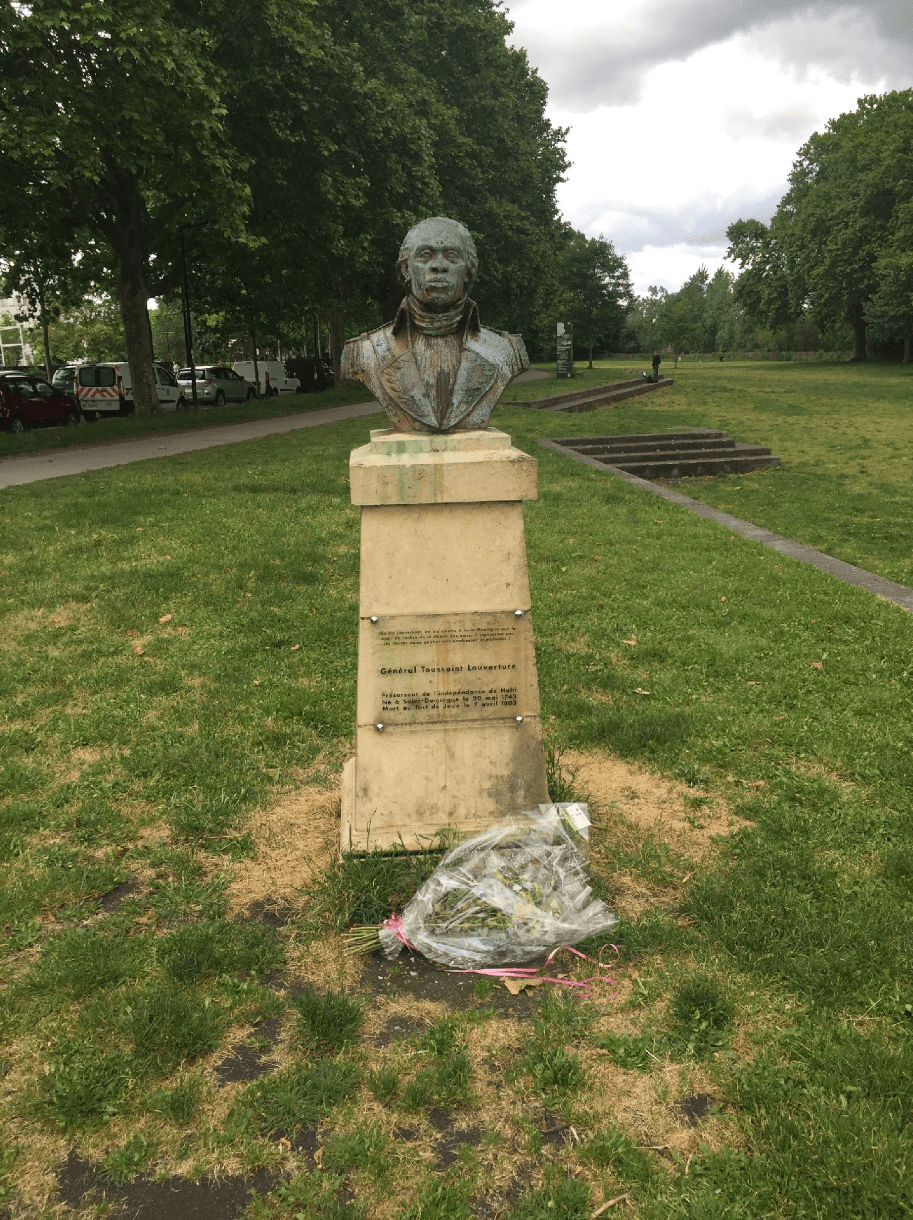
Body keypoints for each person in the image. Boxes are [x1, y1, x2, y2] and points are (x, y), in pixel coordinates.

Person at [341, 216, 528, 432]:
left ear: (468, 270)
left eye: (452, 257)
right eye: (425, 256)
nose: (439, 266)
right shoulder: (364, 353)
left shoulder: (507, 352)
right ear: (406, 269)